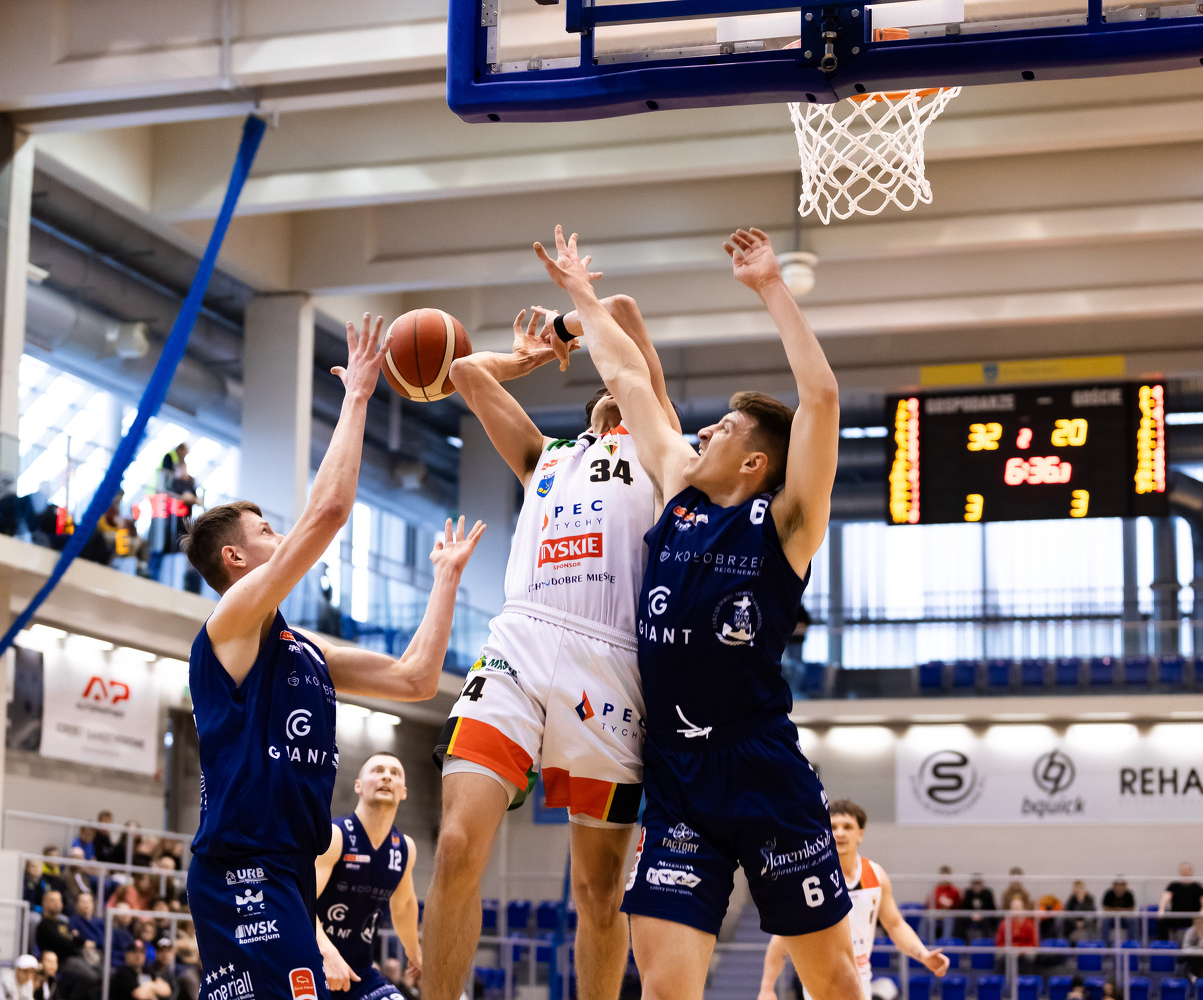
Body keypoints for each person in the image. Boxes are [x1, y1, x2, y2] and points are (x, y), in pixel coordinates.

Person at [532, 224, 853, 1000]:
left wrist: (770, 285)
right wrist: (581, 296)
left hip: (762, 767)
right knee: (666, 988)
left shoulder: (788, 522)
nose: (704, 430)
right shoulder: (679, 487)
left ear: (755, 463)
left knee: (835, 981)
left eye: (726, 430)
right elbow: (627, 378)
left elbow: (821, 399)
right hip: (676, 773)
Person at [178, 312, 485, 1000]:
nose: (280, 535)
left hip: (286, 868)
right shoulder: (230, 625)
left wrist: (445, 579)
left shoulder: (302, 649)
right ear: (235, 559)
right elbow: (327, 515)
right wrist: (358, 396)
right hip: (243, 865)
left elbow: (415, 678)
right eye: (266, 530)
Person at [425, 290, 678, 1000]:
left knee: (599, 894)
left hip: (612, 664)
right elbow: (466, 373)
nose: (615, 389)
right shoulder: (546, 456)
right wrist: (530, 356)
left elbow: (623, 310)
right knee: (454, 844)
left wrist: (574, 320)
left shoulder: (662, 450)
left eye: (624, 383)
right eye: (607, 389)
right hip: (521, 639)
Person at [759, 800, 948, 1000]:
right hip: (821, 983)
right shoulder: (810, 878)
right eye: (833, 827)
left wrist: (923, 955)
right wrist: (767, 988)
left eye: (848, 827)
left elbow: (895, 925)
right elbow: (782, 938)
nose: (840, 833)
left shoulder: (876, 875)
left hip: (861, 980)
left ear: (860, 834)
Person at [314, 753, 422, 999]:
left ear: (404, 792)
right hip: (311, 965)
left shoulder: (404, 848)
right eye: (378, 770)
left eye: (395, 773)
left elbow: (404, 905)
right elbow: (301, 899)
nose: (387, 776)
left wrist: (414, 952)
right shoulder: (335, 836)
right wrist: (326, 952)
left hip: (359, 975)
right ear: (358, 786)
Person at [1160, 863, 1203, 942]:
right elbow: (1165, 897)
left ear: (1191, 872)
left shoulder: (1198, 887)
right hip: (1176, 917)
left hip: (1193, 918)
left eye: (1188, 871)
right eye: (1183, 871)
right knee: (1161, 922)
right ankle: (1165, 945)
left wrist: (1202, 914)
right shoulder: (1174, 886)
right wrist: (1161, 909)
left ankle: (1201, 944)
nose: (1186, 873)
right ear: (1180, 872)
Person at [928, 867, 962, 939]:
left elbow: (959, 906)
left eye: (947, 876)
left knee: (948, 919)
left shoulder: (954, 890)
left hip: (949, 914)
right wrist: (936, 913)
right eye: (943, 876)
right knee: (926, 918)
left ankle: (945, 941)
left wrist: (952, 904)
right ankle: (924, 941)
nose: (945, 879)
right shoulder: (935, 889)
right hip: (936, 914)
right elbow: (929, 904)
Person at [963, 875, 999, 940]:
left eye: (979, 884)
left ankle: (987, 940)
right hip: (971, 917)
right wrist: (972, 915)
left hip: (985, 916)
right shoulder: (968, 893)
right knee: (961, 920)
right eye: (975, 884)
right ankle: (964, 941)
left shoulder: (987, 893)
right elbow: (965, 908)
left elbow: (991, 908)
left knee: (988, 921)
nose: (977, 887)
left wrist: (982, 915)